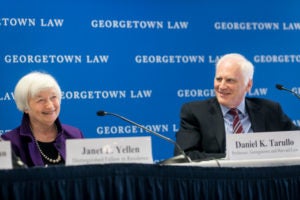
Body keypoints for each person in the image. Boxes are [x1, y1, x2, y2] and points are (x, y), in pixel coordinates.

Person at [175, 53, 299, 161]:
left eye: (230, 80)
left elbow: (296, 141)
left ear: (248, 85)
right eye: (218, 79)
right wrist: (233, 157)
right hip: (220, 182)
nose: (222, 86)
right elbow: (184, 155)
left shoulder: (269, 110)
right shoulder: (195, 112)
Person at [1, 71, 84, 167]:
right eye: (40, 100)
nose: (49, 105)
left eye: (53, 97)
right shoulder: (9, 143)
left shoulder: (75, 135)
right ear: (25, 107)